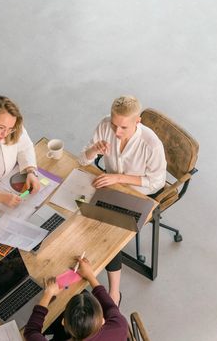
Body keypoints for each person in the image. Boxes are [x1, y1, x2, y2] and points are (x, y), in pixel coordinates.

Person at [79, 95, 167, 305]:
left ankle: (114, 293)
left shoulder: (151, 144)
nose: (116, 132)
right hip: (109, 185)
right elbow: (82, 159)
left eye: (123, 127)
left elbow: (157, 183)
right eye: (114, 124)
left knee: (111, 231)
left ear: (138, 122)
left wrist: (119, 178)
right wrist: (94, 150)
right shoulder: (104, 126)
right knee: (81, 213)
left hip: (137, 192)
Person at [23, 257, 129, 341]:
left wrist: (48, 294)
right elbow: (110, 306)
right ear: (102, 320)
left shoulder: (119, 325)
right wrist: (90, 275)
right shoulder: (119, 327)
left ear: (64, 322)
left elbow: (31, 331)